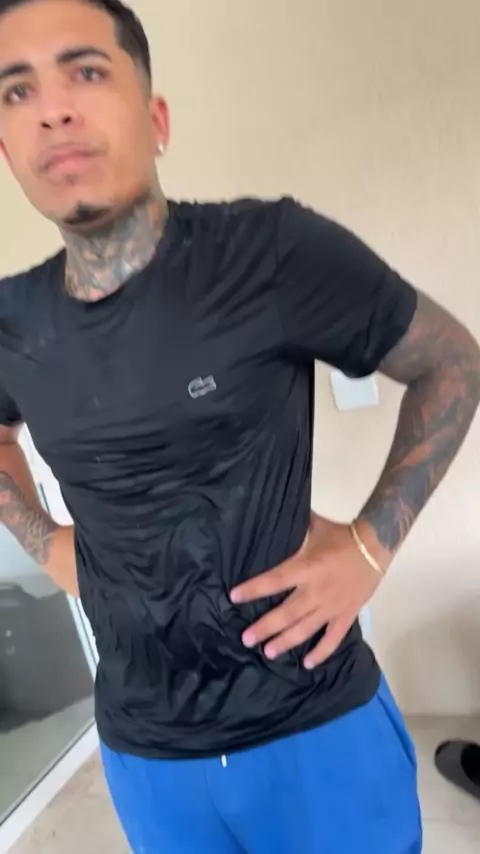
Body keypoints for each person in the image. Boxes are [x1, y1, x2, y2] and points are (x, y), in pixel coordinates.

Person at [0, 0, 478, 851]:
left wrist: (369, 548)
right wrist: (46, 545)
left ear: (156, 121)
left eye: (86, 71)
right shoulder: (11, 322)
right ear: (6, 151)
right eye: (15, 91)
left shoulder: (272, 252)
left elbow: (452, 362)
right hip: (147, 752)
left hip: (313, 724)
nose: (52, 109)